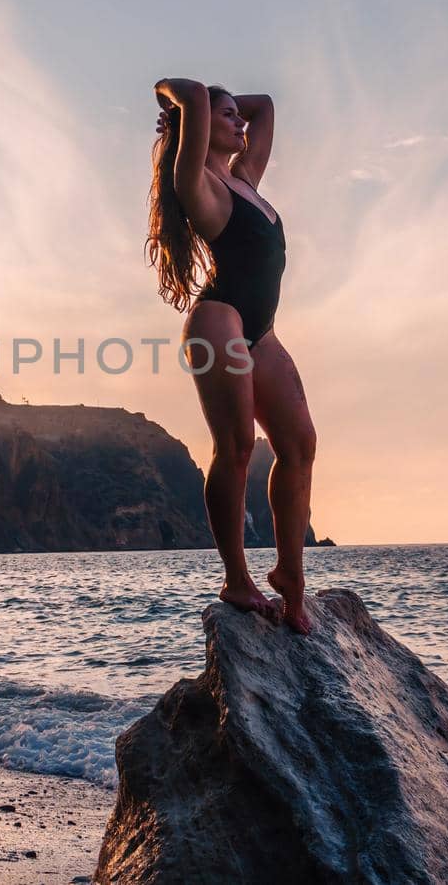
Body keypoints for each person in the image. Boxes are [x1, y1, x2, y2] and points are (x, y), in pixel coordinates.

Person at [147, 78, 316, 634]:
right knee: (237, 446)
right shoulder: (199, 185)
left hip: (259, 331)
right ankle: (237, 578)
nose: (240, 123)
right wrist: (173, 100)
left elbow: (265, 105)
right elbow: (191, 94)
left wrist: (223, 109)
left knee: (298, 444)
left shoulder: (244, 178)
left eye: (234, 117)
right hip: (219, 322)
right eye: (227, 117)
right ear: (197, 128)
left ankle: (290, 575)